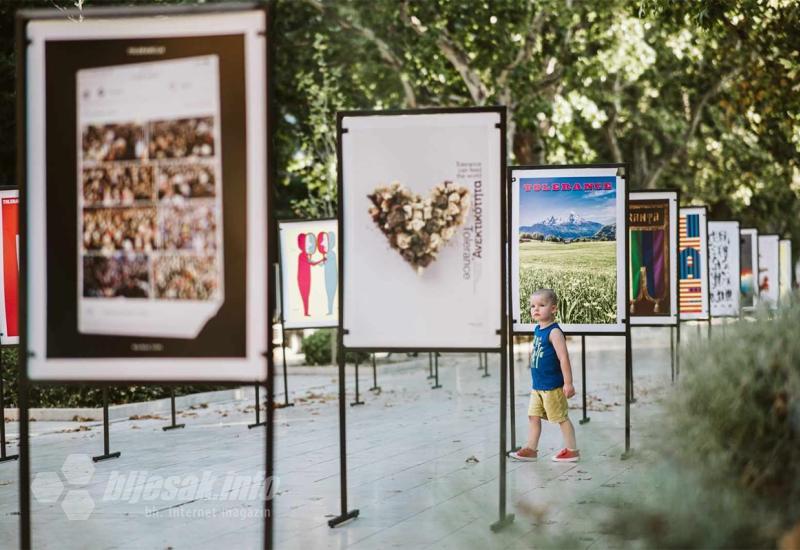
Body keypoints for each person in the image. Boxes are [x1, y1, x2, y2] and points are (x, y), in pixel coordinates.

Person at [510, 289, 580, 462]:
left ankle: (572, 450)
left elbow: (563, 358)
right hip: (538, 386)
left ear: (554, 309)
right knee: (533, 417)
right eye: (533, 306)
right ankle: (531, 449)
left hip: (552, 386)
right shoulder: (537, 329)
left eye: (542, 305)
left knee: (561, 418)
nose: (536, 309)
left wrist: (568, 383)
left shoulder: (554, 332)